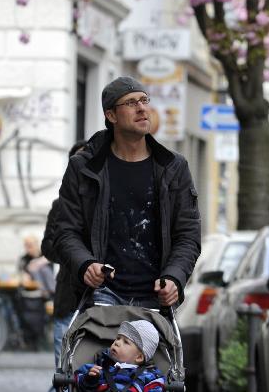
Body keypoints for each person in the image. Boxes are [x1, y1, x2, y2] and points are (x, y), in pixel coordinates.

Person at [56, 75, 201, 312]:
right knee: (86, 351)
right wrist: (86, 264)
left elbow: (188, 234)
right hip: (101, 295)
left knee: (164, 351)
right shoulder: (84, 167)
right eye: (131, 103)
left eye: (144, 100)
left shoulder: (173, 167)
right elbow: (65, 231)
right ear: (111, 115)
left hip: (155, 297)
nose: (142, 108)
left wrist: (174, 278)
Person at [33, 139, 88, 392]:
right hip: (69, 300)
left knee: (98, 375)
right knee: (65, 370)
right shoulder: (61, 206)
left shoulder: (114, 202)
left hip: (107, 304)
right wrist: (74, 251)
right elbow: (47, 247)